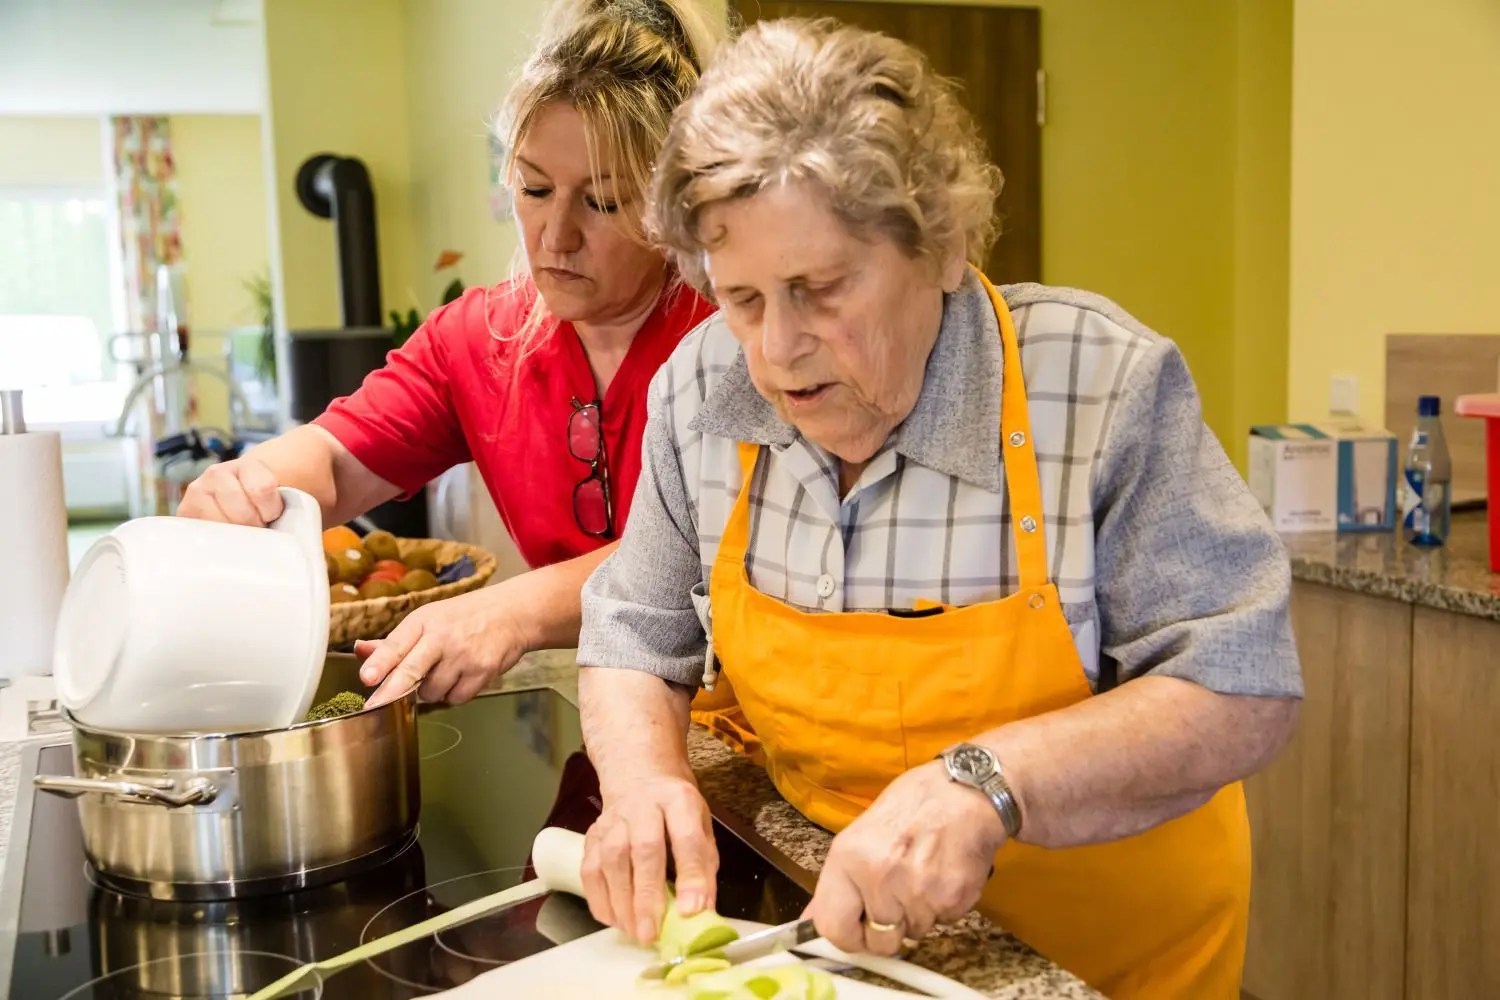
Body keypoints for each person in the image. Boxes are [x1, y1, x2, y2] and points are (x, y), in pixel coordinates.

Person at [573, 17, 1302, 999]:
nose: (776, 348)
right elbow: (632, 626)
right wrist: (641, 777)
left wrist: (990, 781)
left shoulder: (1099, 386)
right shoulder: (699, 392)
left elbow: (1243, 679)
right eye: (741, 298)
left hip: (1111, 962)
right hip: (846, 949)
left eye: (820, 287)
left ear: (943, 244)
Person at [177, 0, 724, 707]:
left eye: (604, 202)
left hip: (750, 721)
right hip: (612, 710)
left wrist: (513, 611)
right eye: (533, 188)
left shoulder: (736, 335)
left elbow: (706, 552)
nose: (554, 237)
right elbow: (337, 464)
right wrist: (246, 488)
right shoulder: (480, 341)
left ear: (674, 202)